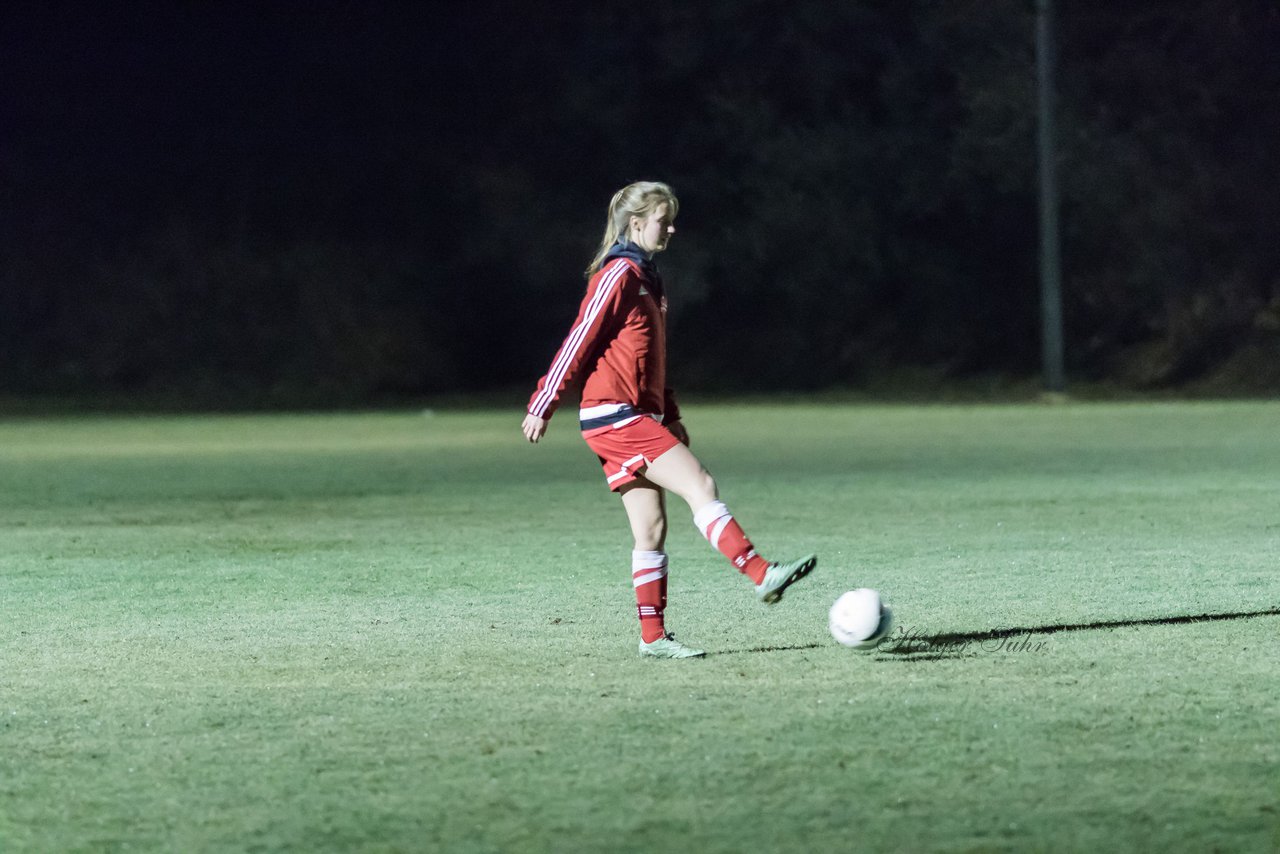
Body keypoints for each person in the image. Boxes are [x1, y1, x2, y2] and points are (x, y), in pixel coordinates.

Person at [521, 181, 816, 659]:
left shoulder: (647, 278)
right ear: (636, 223)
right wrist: (543, 401)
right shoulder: (618, 273)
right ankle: (762, 574)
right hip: (614, 415)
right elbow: (580, 336)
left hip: (631, 414)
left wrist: (670, 415)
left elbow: (651, 359)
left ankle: (653, 639)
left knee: (650, 529)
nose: (672, 228)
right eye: (664, 219)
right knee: (699, 483)